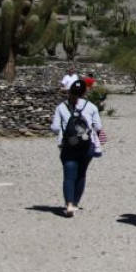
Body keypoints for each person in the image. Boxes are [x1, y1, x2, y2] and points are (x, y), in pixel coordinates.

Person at [50, 79, 102, 217]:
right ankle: (76, 204)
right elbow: (98, 127)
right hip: (86, 145)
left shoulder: (61, 107)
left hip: (68, 146)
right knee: (81, 173)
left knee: (69, 175)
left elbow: (55, 127)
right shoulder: (91, 107)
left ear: (70, 91)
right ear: (85, 91)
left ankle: (69, 205)